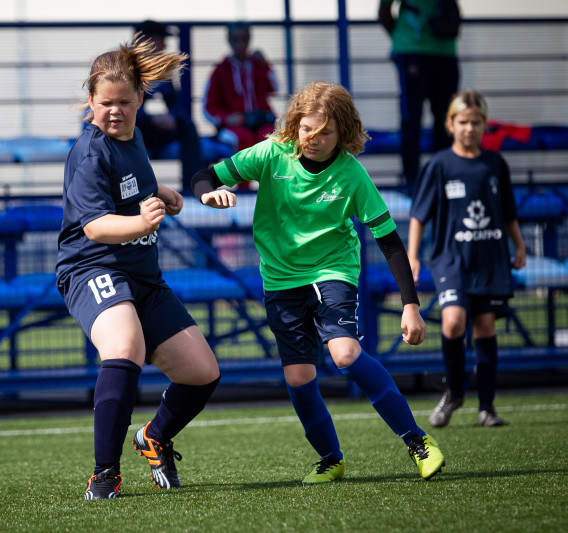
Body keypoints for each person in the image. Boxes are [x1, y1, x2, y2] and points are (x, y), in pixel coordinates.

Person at [191, 81, 445, 483]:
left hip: (332, 270)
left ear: (343, 133)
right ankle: (331, 458)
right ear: (294, 124)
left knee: (345, 354)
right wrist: (208, 195)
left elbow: (392, 244)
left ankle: (417, 441)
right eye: (307, 128)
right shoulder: (271, 153)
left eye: (325, 132)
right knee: (299, 378)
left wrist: (410, 304)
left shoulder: (351, 174)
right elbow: (205, 175)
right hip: (279, 279)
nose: (314, 138)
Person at [56, 35, 221, 500]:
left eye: (124, 102)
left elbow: (131, 183)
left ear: (140, 100)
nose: (114, 112)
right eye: (104, 103)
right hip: (93, 269)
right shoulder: (90, 152)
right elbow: (95, 227)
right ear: (90, 101)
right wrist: (141, 219)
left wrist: (161, 192)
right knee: (125, 346)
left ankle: (155, 436)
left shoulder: (135, 135)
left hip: (143, 276)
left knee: (202, 372)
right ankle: (104, 475)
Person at [407, 89, 526, 428]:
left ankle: (486, 407)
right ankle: (455, 392)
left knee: (485, 326)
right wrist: (412, 258)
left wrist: (518, 245)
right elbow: (418, 216)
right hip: (451, 260)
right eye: (463, 122)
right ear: (450, 124)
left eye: (476, 122)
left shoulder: (494, 164)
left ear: (485, 125)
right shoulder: (439, 166)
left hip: (489, 258)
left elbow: (508, 212)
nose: (469, 128)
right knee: (453, 321)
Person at [379, 0, 460, 191]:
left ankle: (443, 176)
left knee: (446, 119)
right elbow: (384, 10)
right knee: (411, 120)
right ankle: (412, 182)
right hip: (412, 51)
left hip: (444, 51)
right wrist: (401, 38)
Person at [134, 20, 203, 194]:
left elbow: (174, 102)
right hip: (129, 128)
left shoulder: (160, 68)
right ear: (146, 41)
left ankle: (194, 189)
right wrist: (152, 118)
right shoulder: (126, 66)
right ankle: (134, 196)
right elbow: (120, 109)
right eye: (161, 39)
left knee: (187, 125)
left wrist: (171, 117)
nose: (164, 45)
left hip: (151, 129)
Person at [203, 22, 278, 154]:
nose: (241, 43)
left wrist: (265, 64)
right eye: (236, 39)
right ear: (229, 41)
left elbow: (275, 88)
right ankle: (243, 175)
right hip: (234, 126)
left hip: (261, 121)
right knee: (243, 140)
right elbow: (208, 107)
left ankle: (270, 175)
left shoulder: (257, 64)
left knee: (270, 139)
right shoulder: (220, 70)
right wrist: (226, 118)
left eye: (244, 39)